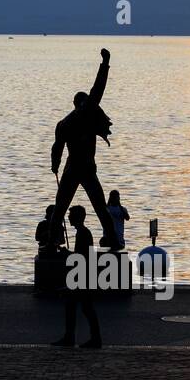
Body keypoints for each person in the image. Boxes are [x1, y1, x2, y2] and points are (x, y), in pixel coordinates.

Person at [49, 48, 118, 246]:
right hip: (86, 168)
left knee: (60, 208)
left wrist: (55, 164)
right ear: (83, 103)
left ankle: (53, 241)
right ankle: (112, 238)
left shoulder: (63, 124)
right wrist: (105, 63)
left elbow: (57, 148)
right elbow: (99, 88)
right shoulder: (86, 113)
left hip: (72, 168)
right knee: (99, 207)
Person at [53, 206, 102, 349]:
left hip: (83, 276)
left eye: (71, 215)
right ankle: (81, 337)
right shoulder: (83, 232)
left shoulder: (83, 233)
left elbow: (80, 257)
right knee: (80, 307)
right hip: (84, 275)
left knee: (84, 308)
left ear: (78, 217)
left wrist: (66, 254)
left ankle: (86, 338)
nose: (68, 218)